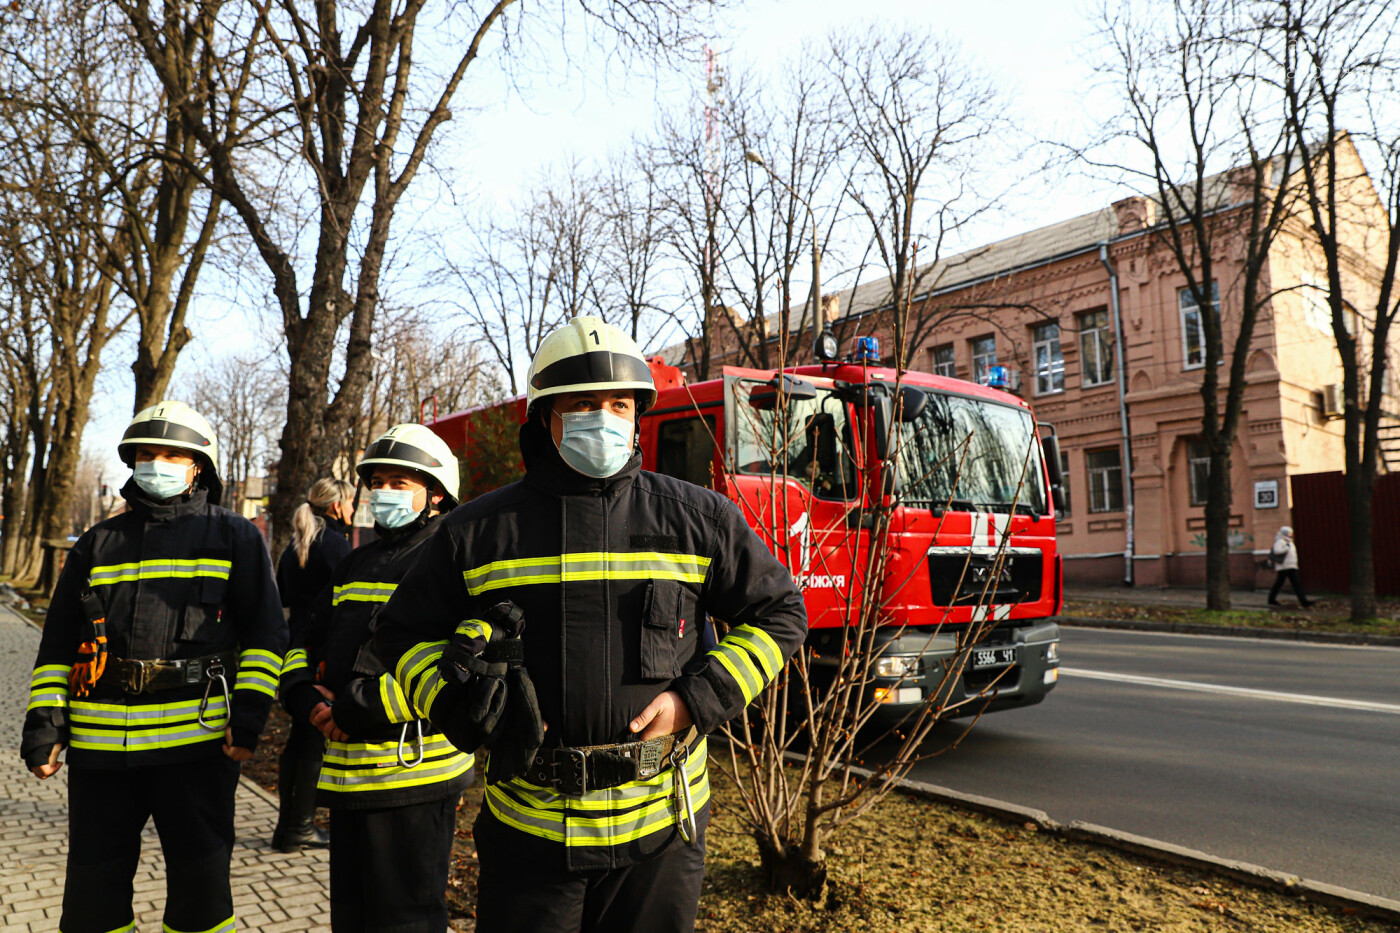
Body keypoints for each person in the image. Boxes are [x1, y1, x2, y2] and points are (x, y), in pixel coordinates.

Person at [372, 316, 809, 933]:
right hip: (529, 836)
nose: (601, 419)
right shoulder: (475, 533)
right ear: (545, 419)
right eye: (581, 405)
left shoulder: (698, 518)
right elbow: (400, 633)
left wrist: (696, 699)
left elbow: (782, 613)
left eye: (617, 404)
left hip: (663, 830)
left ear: (637, 415)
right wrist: (456, 703)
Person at [21, 400, 286, 933]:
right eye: (146, 453)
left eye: (171, 454)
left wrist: (251, 714)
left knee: (202, 901)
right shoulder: (96, 545)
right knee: (92, 902)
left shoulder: (235, 537)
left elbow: (266, 634)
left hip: (197, 748)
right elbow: (56, 647)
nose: (156, 464)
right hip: (101, 757)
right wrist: (45, 724)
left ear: (198, 467)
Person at [279, 424, 475, 933]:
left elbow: (457, 666)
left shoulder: (453, 563)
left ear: (436, 493)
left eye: (399, 483)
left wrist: (357, 707)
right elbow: (303, 636)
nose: (383, 493)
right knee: (353, 916)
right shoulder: (355, 563)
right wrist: (303, 695)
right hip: (347, 776)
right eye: (378, 483)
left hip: (414, 777)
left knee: (405, 919)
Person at [272, 477, 356, 851]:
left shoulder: (294, 547)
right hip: (322, 654)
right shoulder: (337, 546)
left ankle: (286, 826)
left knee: (298, 739)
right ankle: (300, 827)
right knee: (312, 742)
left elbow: (284, 595)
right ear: (338, 506)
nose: (354, 510)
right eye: (352, 502)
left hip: (295, 651)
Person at [1268, 525, 1314, 607]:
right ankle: (1303, 601)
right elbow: (1277, 551)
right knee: (1282, 583)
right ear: (1285, 533)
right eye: (1289, 533)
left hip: (1290, 566)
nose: (1291, 535)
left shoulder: (1289, 541)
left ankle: (1303, 601)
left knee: (1294, 583)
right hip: (1284, 567)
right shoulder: (1280, 541)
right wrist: (1286, 547)